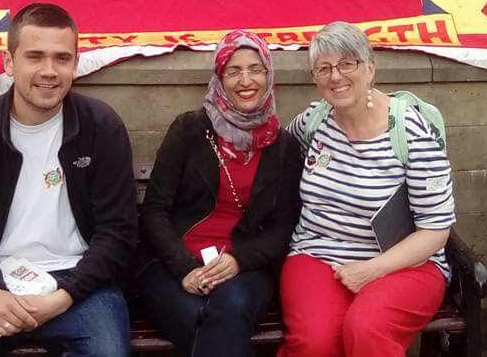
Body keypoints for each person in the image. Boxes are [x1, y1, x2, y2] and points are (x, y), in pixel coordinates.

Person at [0, 3, 136, 356]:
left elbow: (118, 232)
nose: (49, 71)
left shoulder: (101, 127)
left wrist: (64, 297)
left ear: (75, 65)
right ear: (8, 62)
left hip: (78, 286)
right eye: (35, 57)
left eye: (62, 59)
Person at [277, 22, 455, 356]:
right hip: (317, 254)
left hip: (405, 262)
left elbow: (435, 230)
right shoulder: (314, 122)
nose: (335, 76)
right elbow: (274, 155)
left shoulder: (410, 130)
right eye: (324, 68)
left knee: (366, 328)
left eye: (347, 64)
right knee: (315, 343)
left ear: (370, 68)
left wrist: (371, 270)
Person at [137, 30, 303, 356]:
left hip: (244, 269)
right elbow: (155, 211)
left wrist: (238, 260)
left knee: (231, 308)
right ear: (219, 77)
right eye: (234, 70)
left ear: (269, 75)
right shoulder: (189, 130)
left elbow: (283, 229)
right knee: (203, 318)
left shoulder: (283, 147)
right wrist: (185, 268)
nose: (246, 80)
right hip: (171, 264)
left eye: (256, 69)